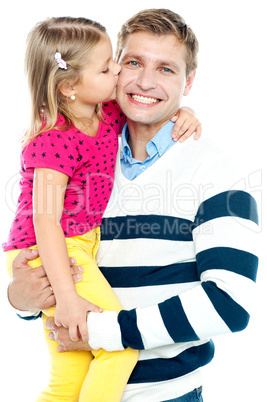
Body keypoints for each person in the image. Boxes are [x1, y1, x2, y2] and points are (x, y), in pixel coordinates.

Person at [7, 8, 259, 402]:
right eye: (133, 63)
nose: (144, 81)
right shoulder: (84, 145)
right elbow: (52, 252)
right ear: (113, 69)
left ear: (189, 81)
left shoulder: (218, 171)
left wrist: (105, 332)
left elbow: (230, 305)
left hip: (168, 395)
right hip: (79, 387)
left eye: (166, 70)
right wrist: (20, 300)